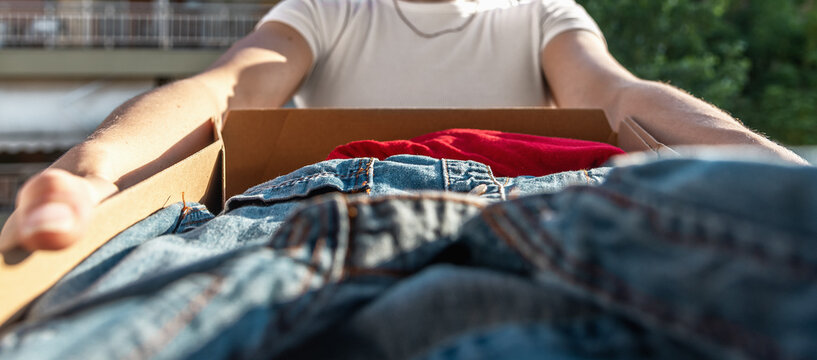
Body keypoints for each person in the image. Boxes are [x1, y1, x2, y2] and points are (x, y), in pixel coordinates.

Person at [0, 0, 807, 252]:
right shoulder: (325, 7)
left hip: (519, 202)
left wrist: (768, 172)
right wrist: (94, 167)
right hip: (338, 204)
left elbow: (618, 96)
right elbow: (233, 87)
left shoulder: (542, 11)